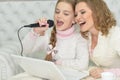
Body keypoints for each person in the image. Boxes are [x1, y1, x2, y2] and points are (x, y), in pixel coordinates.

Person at [22, 0, 89, 71]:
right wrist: (35, 32)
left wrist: (58, 62)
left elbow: (82, 65)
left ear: (74, 19)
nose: (59, 16)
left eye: (65, 14)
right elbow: (25, 50)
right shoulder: (47, 34)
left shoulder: (80, 38)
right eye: (57, 12)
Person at [75, 0, 120, 79]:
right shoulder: (86, 36)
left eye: (82, 12)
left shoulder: (115, 34)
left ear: (97, 12)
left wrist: (106, 71)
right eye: (76, 14)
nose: (77, 18)